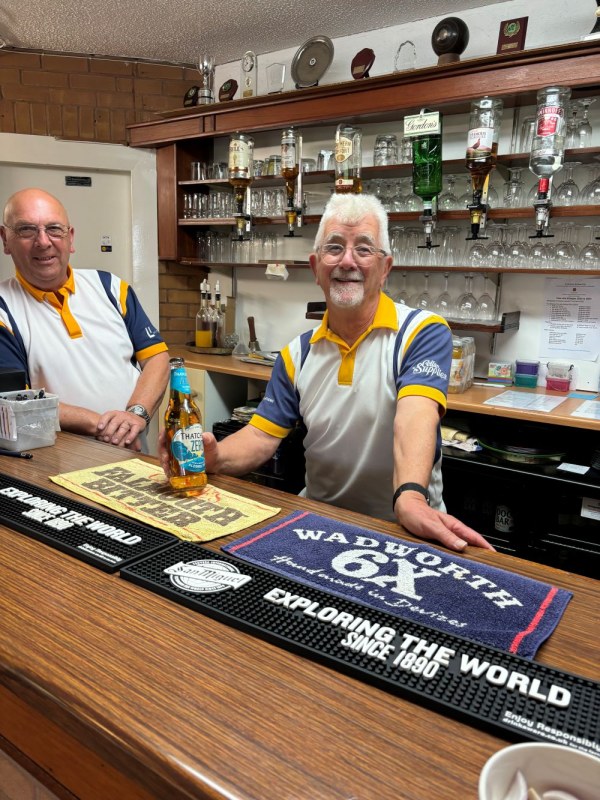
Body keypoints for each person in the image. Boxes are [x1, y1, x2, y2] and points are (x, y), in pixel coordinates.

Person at [160, 193, 492, 551]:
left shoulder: (421, 332)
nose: (347, 261)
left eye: (364, 249)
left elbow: (415, 417)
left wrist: (410, 497)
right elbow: (259, 436)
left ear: (385, 268)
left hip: (404, 527)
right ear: (316, 267)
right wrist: (214, 458)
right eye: (334, 248)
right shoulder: (297, 354)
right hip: (318, 525)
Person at [0, 188, 170, 452]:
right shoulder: (4, 310)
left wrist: (136, 413)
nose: (43, 242)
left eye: (54, 229)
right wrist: (110, 427)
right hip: (57, 463)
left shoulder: (111, 287)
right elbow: (19, 402)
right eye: (26, 230)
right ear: (5, 240)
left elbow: (157, 358)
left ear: (70, 238)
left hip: (133, 455)